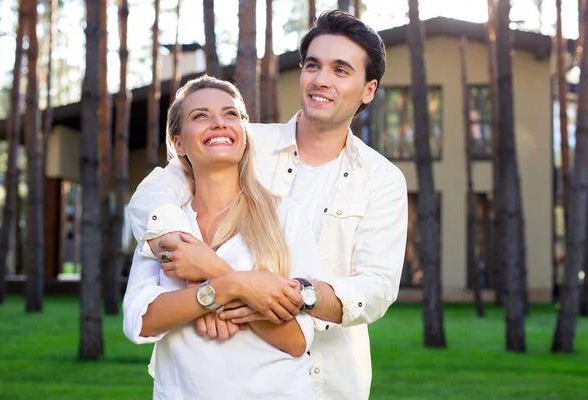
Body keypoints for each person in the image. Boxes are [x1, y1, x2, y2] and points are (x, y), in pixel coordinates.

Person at [128, 10, 408, 400]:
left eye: (341, 70)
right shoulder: (240, 141)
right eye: (313, 65)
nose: (321, 80)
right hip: (213, 370)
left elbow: (375, 287)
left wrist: (285, 297)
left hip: (331, 379)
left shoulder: (382, 179)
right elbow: (154, 191)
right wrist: (197, 277)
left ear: (368, 89)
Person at [122, 76, 320, 400]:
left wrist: (213, 272)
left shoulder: (287, 217)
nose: (218, 123)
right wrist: (228, 288)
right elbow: (140, 322)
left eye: (231, 114)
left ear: (243, 133)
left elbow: (297, 339)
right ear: (178, 144)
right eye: (200, 116)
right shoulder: (165, 224)